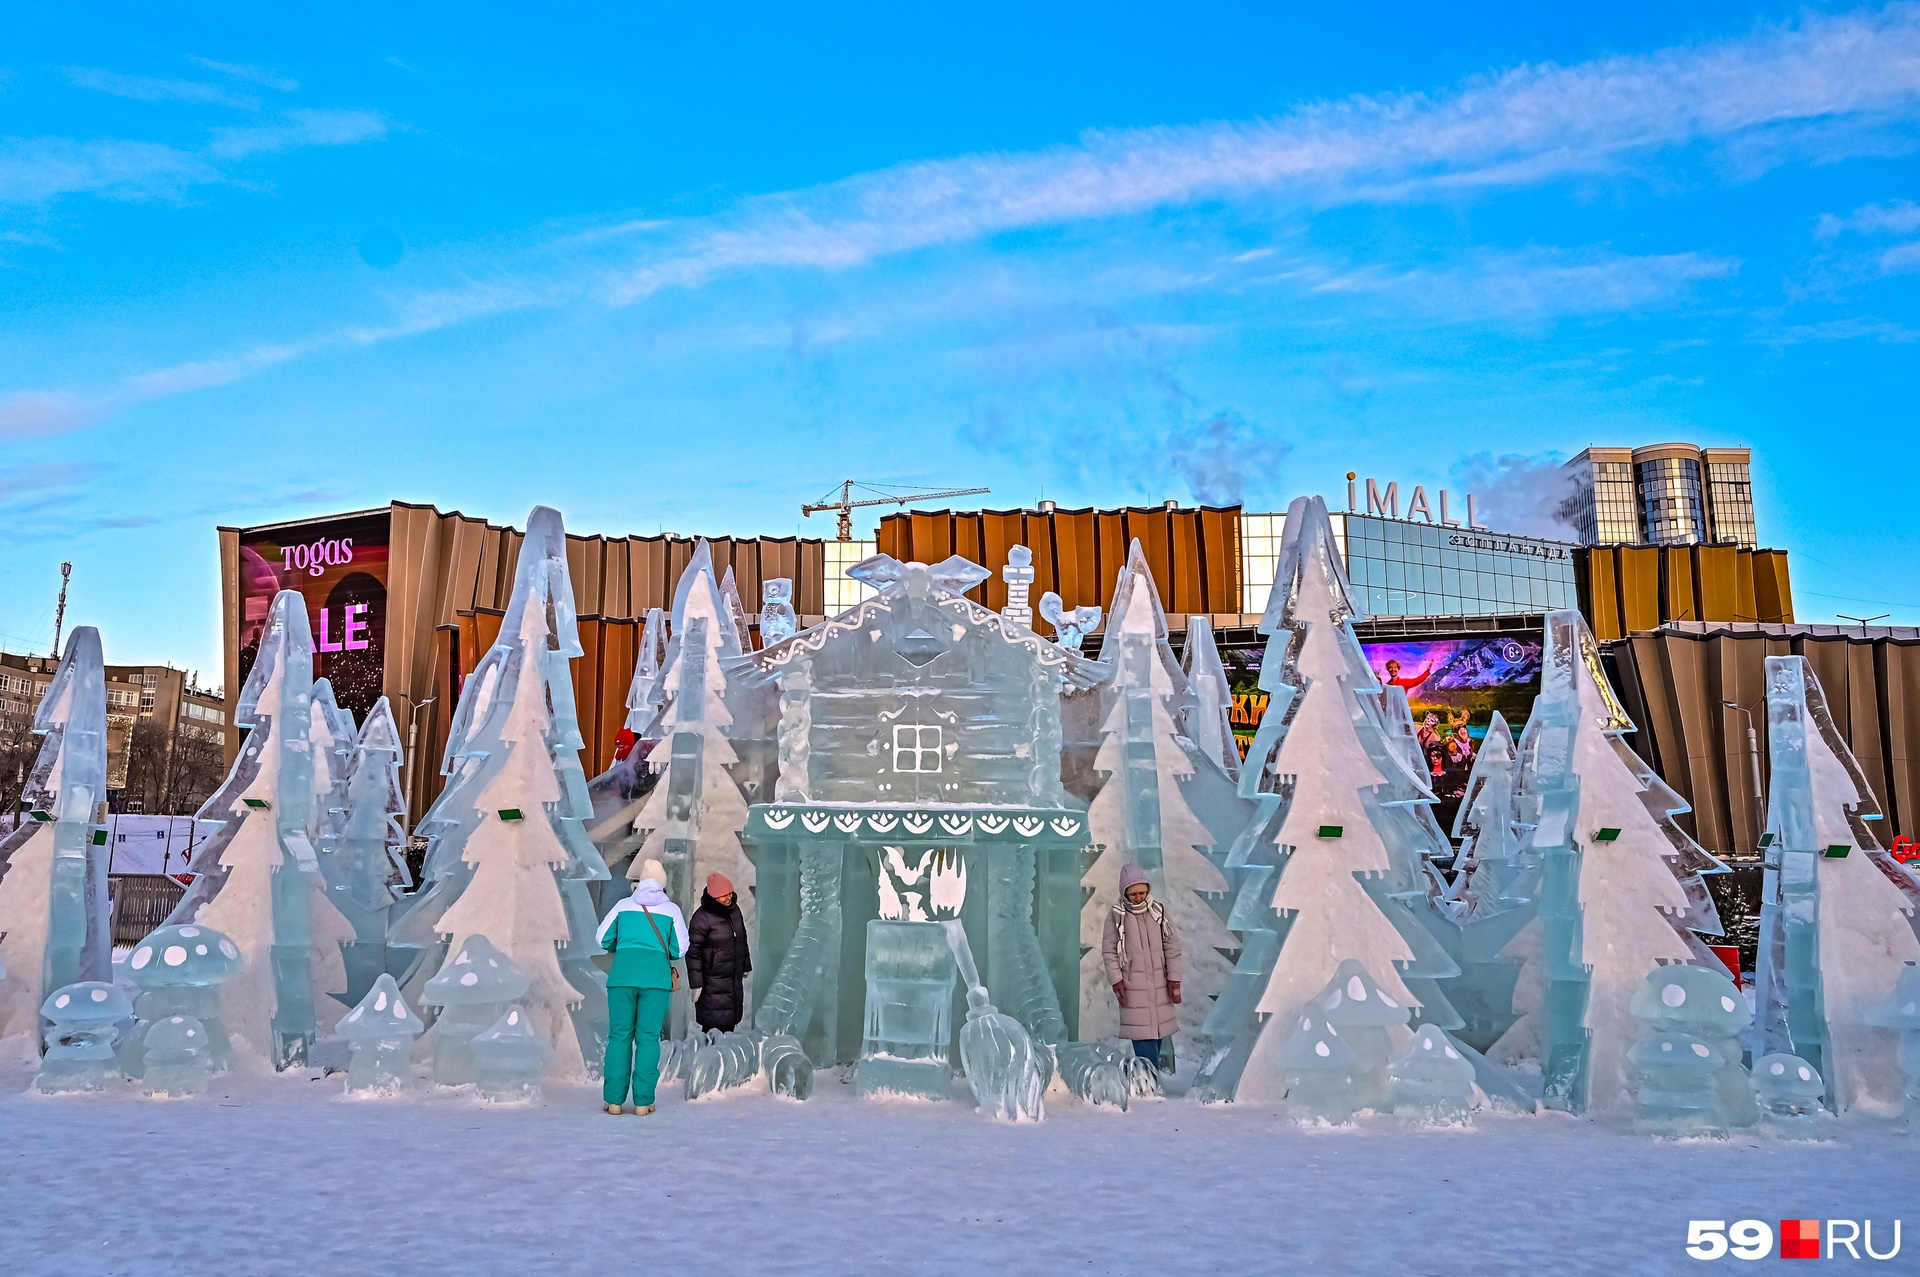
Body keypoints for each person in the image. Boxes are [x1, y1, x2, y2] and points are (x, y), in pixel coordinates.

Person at [596, 858, 686, 1116]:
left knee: (619, 1036)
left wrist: (621, 944)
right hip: (656, 981)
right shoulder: (671, 911)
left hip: (622, 977)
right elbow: (680, 948)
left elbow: (602, 938)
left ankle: (613, 1101)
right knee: (648, 1038)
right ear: (662, 885)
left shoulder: (623, 905)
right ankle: (643, 1102)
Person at [1101, 864, 1183, 1069]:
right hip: (1133, 985)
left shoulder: (1158, 912)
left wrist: (1174, 978)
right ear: (1125, 893)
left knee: (1157, 1033)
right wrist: (1116, 980)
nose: (1139, 897)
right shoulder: (1116, 916)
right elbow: (1109, 951)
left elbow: (1172, 947)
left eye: (1143, 892)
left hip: (1159, 984)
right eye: (1134, 894)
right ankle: (1149, 1081)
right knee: (1143, 1036)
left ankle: (1150, 1080)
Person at [687, 873, 752, 1033]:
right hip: (712, 981)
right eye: (723, 895)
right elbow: (693, 952)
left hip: (732, 977)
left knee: (730, 1021)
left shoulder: (734, 911)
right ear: (714, 896)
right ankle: (708, 1056)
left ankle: (726, 1055)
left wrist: (745, 964)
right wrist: (696, 983)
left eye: (730, 893)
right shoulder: (701, 919)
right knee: (713, 1025)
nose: (729, 897)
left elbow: (742, 938)